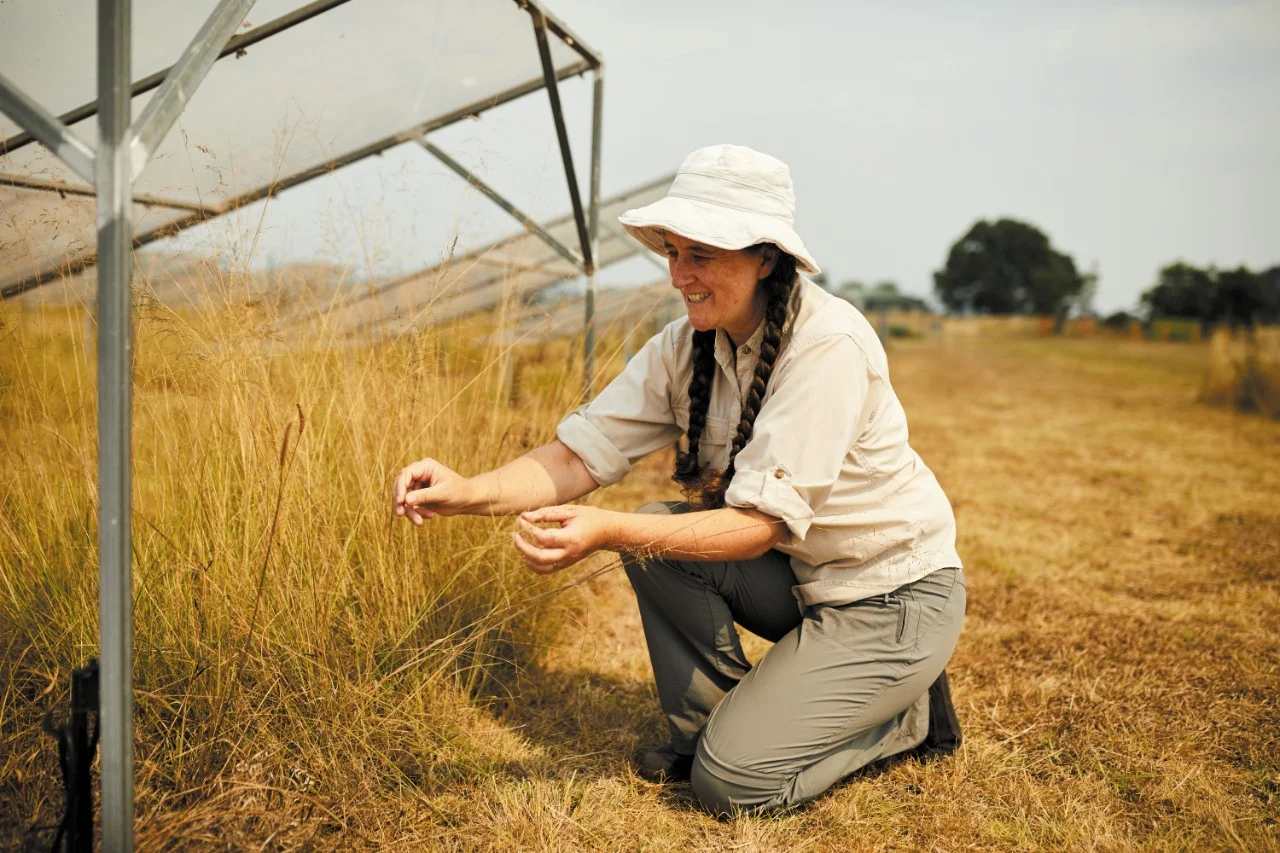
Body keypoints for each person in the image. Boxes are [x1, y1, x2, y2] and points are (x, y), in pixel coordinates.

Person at [392, 144, 965, 816]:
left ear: (765, 258)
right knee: (657, 535)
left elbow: (758, 527)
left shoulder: (827, 345)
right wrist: (467, 490)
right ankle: (712, 733)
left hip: (890, 599)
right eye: (673, 251)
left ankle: (905, 719)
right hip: (806, 579)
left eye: (703, 254)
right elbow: (580, 455)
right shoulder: (684, 344)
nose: (680, 275)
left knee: (736, 787)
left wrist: (605, 529)